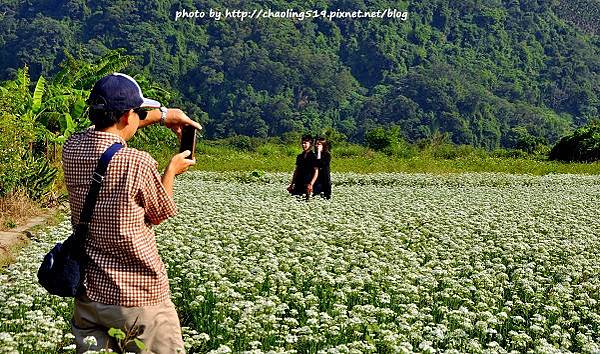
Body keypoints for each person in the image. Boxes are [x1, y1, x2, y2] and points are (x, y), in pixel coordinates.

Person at [62, 73, 202, 353]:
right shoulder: (137, 162)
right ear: (128, 116)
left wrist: (164, 115)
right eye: (137, 112)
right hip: (137, 298)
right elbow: (159, 212)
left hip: (89, 297)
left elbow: (111, 127)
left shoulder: (71, 147)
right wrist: (171, 172)